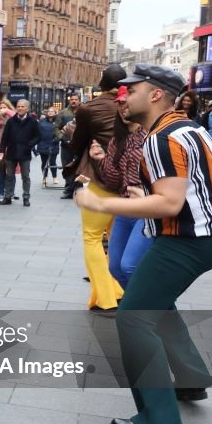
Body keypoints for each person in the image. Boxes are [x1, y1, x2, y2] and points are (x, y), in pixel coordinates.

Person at [76, 64, 212, 424]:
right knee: (154, 304)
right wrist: (144, 196)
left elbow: (169, 204)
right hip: (206, 237)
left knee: (132, 318)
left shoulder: (162, 138)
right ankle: (191, 378)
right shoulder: (187, 128)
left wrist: (103, 205)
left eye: (132, 90)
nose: (122, 96)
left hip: (188, 240)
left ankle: (158, 420)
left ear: (156, 94)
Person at [66, 63, 128, 313]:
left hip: (101, 178)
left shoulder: (89, 109)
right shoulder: (133, 105)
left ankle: (105, 297)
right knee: (116, 238)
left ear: (102, 83)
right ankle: (120, 289)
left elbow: (78, 142)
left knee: (92, 237)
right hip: (129, 180)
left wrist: (75, 165)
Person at [94, 87, 151, 289]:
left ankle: (145, 307)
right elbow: (112, 181)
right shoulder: (117, 140)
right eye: (119, 103)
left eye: (126, 102)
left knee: (129, 267)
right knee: (115, 268)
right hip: (124, 209)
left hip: (147, 210)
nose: (123, 107)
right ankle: (146, 304)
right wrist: (100, 160)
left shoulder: (150, 136)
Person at [0, 99, 40, 206]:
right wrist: (1, 150)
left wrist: (30, 144)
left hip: (25, 153)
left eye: (22, 107)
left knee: (25, 176)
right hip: (11, 152)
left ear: (27, 108)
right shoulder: (11, 121)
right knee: (9, 176)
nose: (20, 108)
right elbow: (4, 138)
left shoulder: (32, 121)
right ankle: (8, 196)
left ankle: (26, 197)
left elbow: (38, 136)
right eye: (18, 106)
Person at [58, 93, 81, 198]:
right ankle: (68, 189)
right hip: (66, 145)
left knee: (79, 166)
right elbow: (56, 128)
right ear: (69, 101)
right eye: (72, 99)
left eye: (76, 99)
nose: (74, 101)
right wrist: (63, 138)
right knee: (67, 167)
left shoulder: (84, 111)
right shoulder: (63, 113)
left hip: (79, 145)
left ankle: (78, 188)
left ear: (79, 101)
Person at [36, 106, 61, 187]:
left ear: (55, 112)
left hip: (53, 144)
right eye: (49, 111)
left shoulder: (58, 121)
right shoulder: (42, 121)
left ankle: (55, 177)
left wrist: (57, 139)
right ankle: (45, 177)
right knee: (44, 162)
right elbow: (38, 132)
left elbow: (61, 131)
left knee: (53, 162)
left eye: (52, 111)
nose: (50, 112)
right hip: (43, 144)